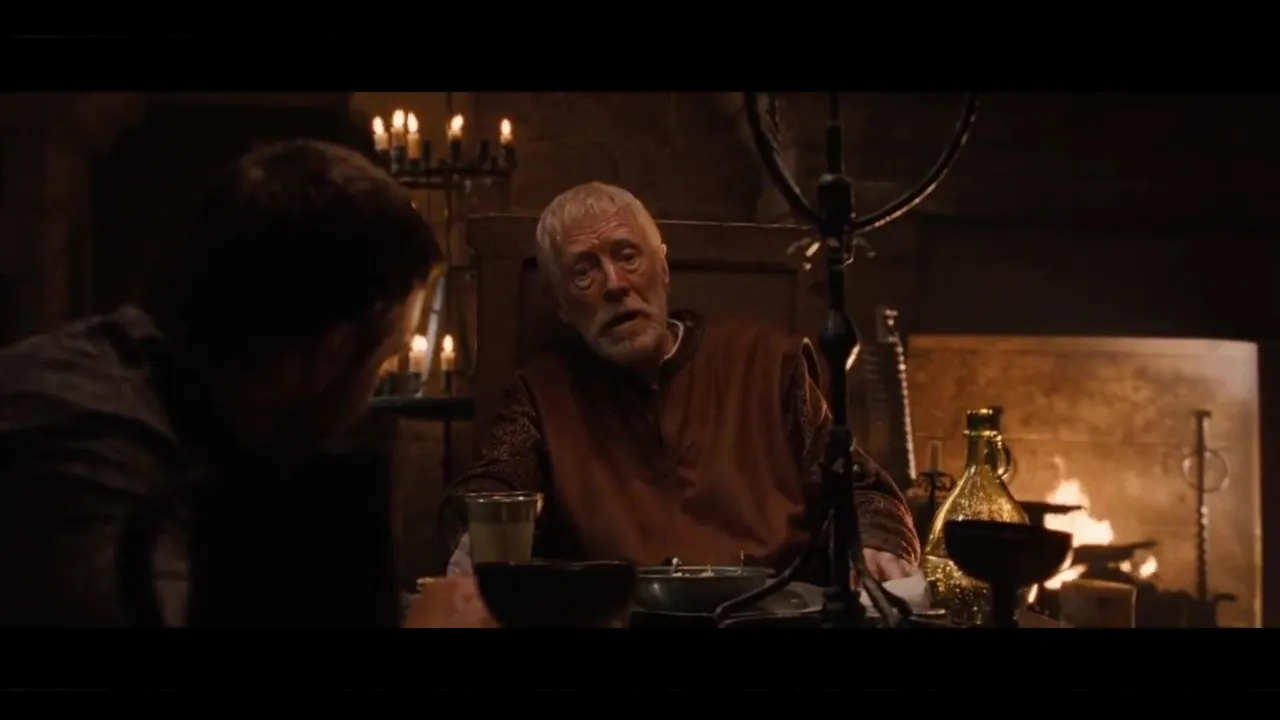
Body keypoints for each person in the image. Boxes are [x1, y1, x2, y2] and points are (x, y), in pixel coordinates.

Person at [0, 139, 462, 627]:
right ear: (335, 352)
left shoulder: (194, 417)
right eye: (384, 361)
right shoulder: (81, 449)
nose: (372, 394)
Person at [444, 182, 919, 609]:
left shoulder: (770, 365)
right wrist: (479, 532)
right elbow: (495, 483)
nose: (615, 285)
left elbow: (858, 490)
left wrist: (876, 543)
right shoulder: (543, 392)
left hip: (769, 617)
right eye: (584, 272)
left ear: (663, 269)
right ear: (562, 306)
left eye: (628, 256)